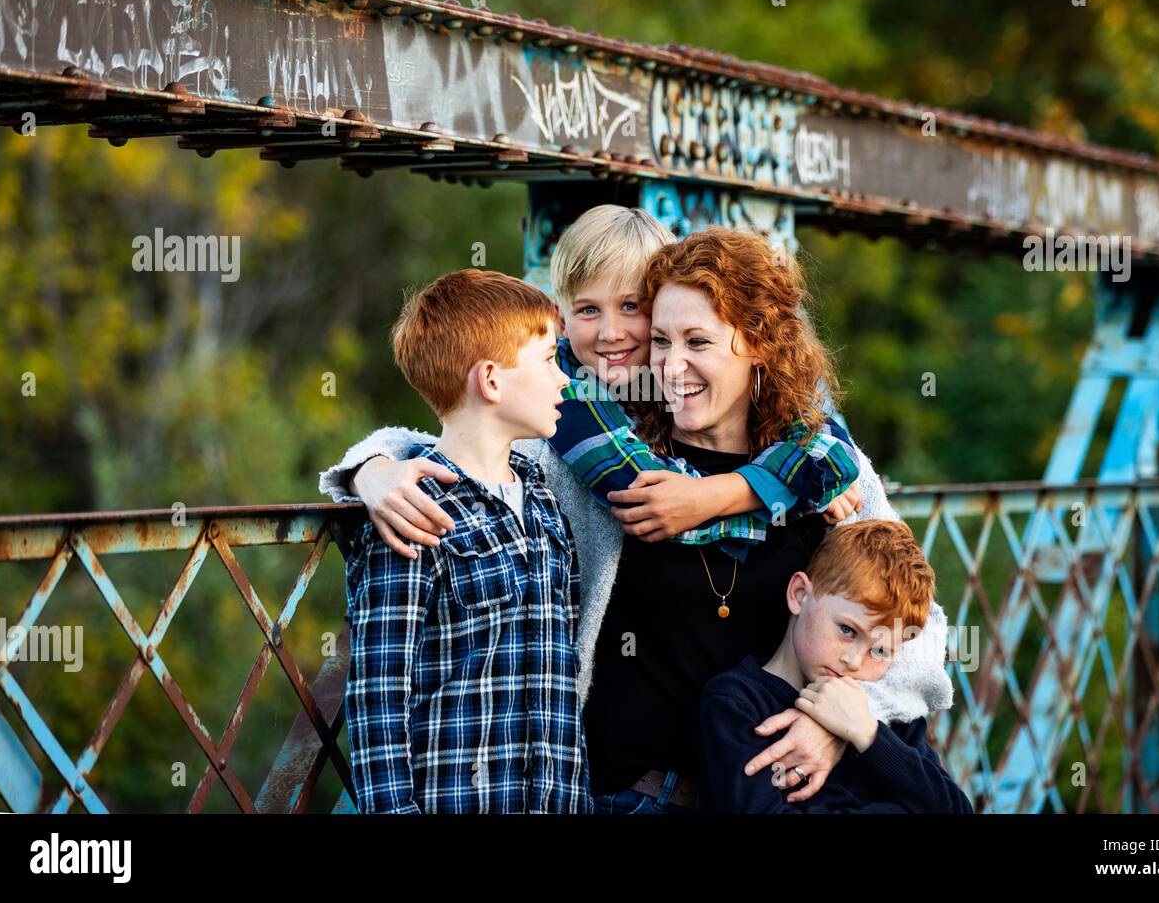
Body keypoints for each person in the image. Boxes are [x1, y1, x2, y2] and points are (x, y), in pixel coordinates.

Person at [323, 218, 955, 813]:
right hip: (630, 796)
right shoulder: (597, 456)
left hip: (770, 794)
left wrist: (839, 722)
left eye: (698, 341)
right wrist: (370, 469)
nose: (670, 366)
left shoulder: (822, 470)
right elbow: (463, 438)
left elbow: (915, 632)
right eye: (660, 340)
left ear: (758, 346)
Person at [343, 267, 591, 813]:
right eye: (549, 360)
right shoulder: (414, 508)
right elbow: (377, 698)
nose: (564, 381)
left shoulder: (546, 505)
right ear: (492, 381)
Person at [698, 518, 973, 813]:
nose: (854, 661)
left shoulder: (889, 716)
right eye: (847, 630)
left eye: (879, 649)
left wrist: (867, 733)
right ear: (800, 594)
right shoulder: (736, 703)